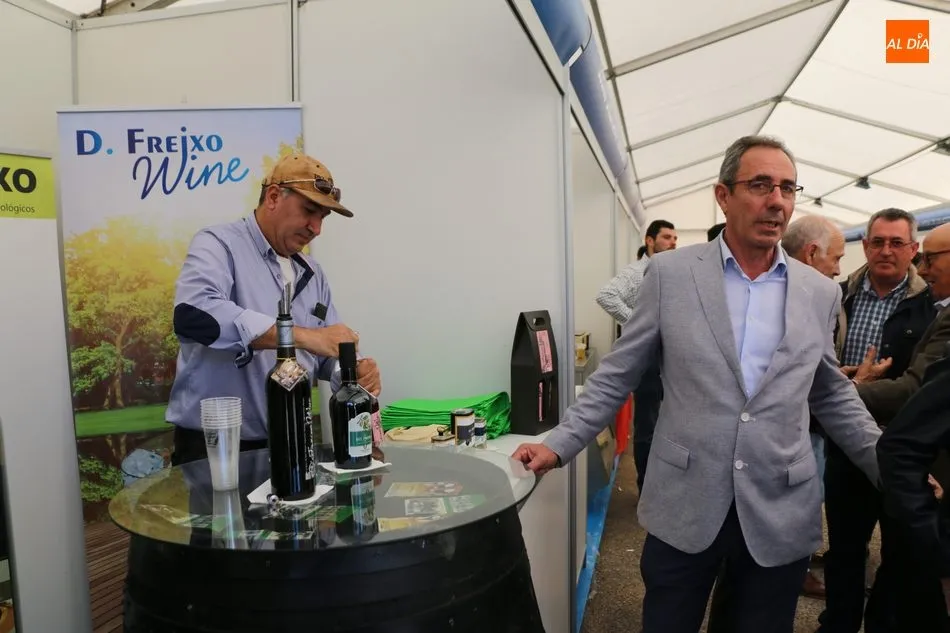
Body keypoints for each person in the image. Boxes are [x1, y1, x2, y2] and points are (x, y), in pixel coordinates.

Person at [513, 135, 883, 633]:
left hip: (777, 506)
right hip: (686, 501)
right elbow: (619, 372)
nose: (777, 200)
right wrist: (558, 443)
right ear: (723, 195)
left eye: (787, 187)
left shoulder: (818, 291)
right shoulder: (670, 274)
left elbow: (831, 392)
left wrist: (888, 463)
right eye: (760, 185)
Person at [166, 153, 382, 466]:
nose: (316, 228)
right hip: (217, 448)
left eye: (323, 217)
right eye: (309, 211)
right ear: (273, 197)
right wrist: (301, 336)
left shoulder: (313, 272)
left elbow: (326, 353)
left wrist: (352, 372)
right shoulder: (217, 244)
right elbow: (193, 314)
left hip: (295, 444)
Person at [818, 208, 937, 633]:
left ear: (913, 249)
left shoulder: (932, 305)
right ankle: (838, 623)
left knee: (900, 552)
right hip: (845, 443)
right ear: (865, 246)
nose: (886, 251)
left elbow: (923, 385)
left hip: (904, 450)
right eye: (878, 242)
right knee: (845, 548)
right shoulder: (837, 296)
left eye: (897, 243)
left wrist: (848, 391)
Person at [595, 219, 677, 491]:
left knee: (671, 422)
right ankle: (646, 489)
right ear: (649, 241)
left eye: (675, 238)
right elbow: (606, 295)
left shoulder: (670, 271)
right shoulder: (637, 272)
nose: (673, 242)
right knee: (647, 425)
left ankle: (665, 485)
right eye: (666, 237)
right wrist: (641, 326)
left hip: (669, 358)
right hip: (647, 360)